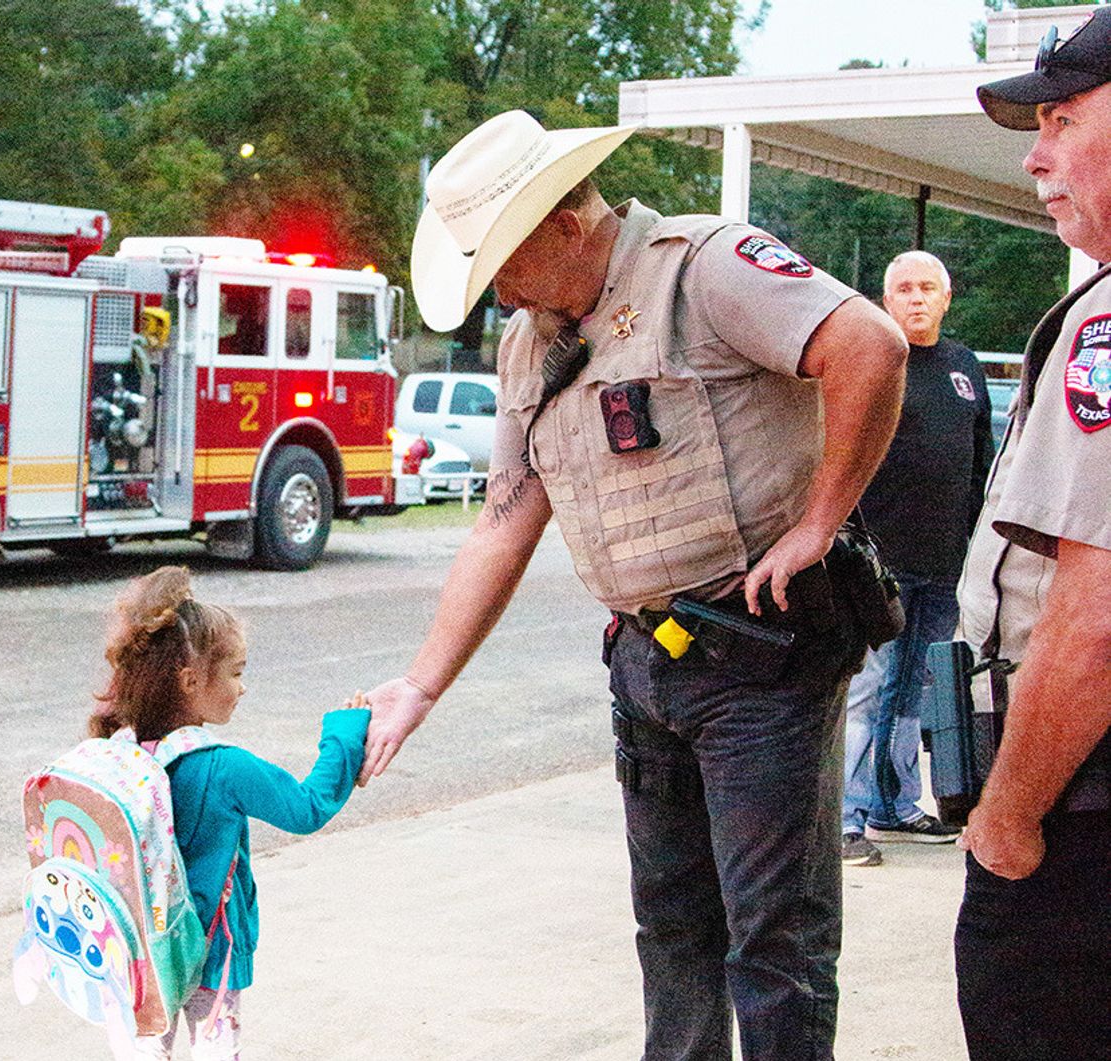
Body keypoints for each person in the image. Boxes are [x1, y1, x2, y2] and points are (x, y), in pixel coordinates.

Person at [359, 109, 907, 1060]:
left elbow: (870, 344)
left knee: (774, 937)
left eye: (504, 269)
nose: (501, 298)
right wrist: (421, 682)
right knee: (673, 928)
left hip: (762, 655)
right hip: (648, 664)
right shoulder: (535, 342)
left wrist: (821, 521)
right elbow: (503, 520)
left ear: (567, 225)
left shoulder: (706, 267)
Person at [953, 11, 1111, 1059]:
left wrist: (1007, 824)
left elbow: (1094, 619)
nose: (1034, 152)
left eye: (1062, 117)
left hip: (1082, 821)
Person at [88, 566, 370, 1059]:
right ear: (191, 680)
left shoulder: (118, 754)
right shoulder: (225, 767)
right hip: (211, 950)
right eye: (236, 673)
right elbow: (306, 808)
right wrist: (345, 732)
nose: (242, 688)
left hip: (138, 952)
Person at [841, 252, 994, 866]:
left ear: (947, 298)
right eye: (903, 288)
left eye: (928, 288)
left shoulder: (963, 367)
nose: (916, 298)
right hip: (881, 564)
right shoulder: (874, 360)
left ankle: (894, 806)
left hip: (943, 563)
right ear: (885, 300)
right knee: (867, 688)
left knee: (915, 690)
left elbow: (981, 460)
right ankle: (844, 820)